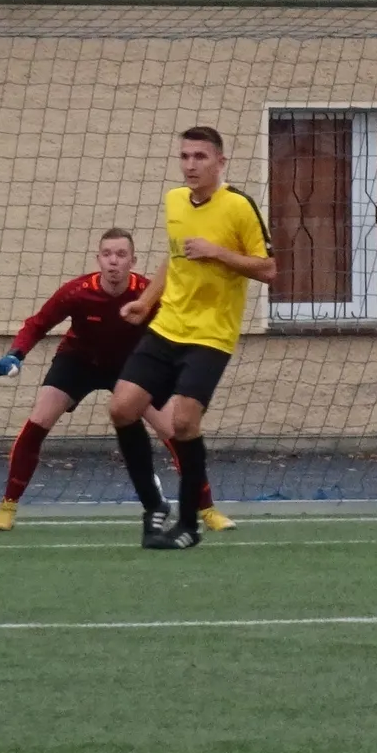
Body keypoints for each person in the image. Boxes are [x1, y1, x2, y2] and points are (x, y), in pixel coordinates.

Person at [0, 229, 233, 533]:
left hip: (133, 367)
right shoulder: (76, 292)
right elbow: (37, 325)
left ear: (132, 261)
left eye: (120, 255)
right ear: (98, 259)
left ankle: (207, 509)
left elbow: (178, 329)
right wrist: (16, 354)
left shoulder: (147, 293)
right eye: (107, 254)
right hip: (79, 362)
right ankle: (7, 506)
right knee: (38, 422)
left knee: (175, 430)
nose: (113, 261)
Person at [114, 126, 275, 552]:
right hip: (167, 326)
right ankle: (154, 506)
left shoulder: (238, 206)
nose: (190, 165)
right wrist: (146, 302)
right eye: (185, 156)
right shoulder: (173, 201)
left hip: (211, 334)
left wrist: (218, 252)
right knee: (122, 408)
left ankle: (189, 524)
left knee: (184, 423)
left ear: (220, 162)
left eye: (200, 157)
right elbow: (174, 259)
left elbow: (269, 269)